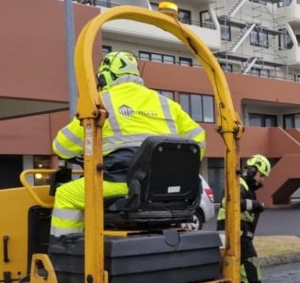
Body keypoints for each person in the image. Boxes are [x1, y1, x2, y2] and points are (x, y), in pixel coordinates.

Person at [50, 51, 205, 241]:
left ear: (105, 76)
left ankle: (65, 252)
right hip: (163, 191)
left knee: (65, 195)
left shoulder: (100, 103)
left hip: (122, 184)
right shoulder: (166, 104)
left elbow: (62, 147)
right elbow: (199, 138)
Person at [217, 154, 274, 283]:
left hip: (239, 240)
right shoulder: (238, 184)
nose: (262, 180)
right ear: (252, 170)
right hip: (237, 240)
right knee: (252, 275)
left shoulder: (245, 186)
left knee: (237, 278)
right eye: (261, 175)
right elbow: (236, 203)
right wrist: (256, 205)